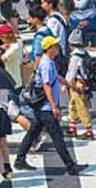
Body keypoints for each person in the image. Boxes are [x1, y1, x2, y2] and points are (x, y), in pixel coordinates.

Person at [14, 36, 86, 175]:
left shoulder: (49, 62)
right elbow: (47, 86)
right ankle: (70, 165)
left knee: (33, 132)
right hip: (46, 108)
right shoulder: (46, 64)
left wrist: (72, 87)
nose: (58, 47)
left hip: (42, 107)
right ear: (49, 48)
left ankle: (20, 159)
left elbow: (57, 78)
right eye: (55, 45)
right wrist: (54, 107)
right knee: (57, 136)